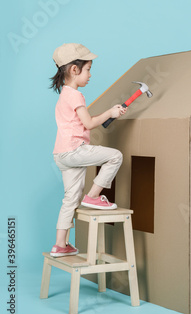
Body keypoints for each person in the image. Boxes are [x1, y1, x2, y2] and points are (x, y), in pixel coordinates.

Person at [49, 43, 127, 257]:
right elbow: (89, 123)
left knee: (70, 199)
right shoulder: (75, 95)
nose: (90, 75)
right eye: (88, 69)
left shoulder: (63, 95)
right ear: (74, 70)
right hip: (75, 151)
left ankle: (60, 245)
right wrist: (111, 111)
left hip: (61, 155)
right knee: (115, 156)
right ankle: (93, 196)